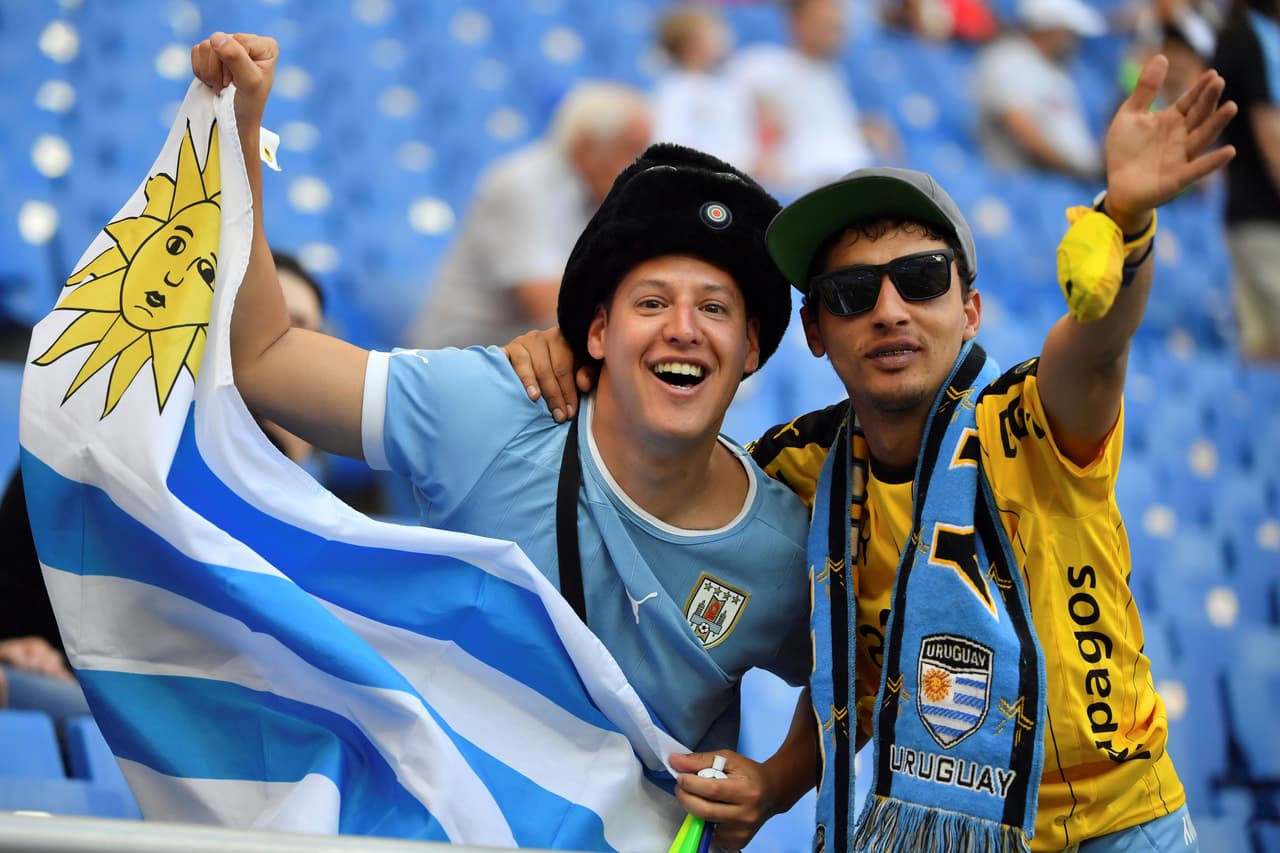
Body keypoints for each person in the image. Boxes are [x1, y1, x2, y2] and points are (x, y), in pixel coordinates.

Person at [507, 54, 1236, 851]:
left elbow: (1097, 345)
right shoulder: (797, 467)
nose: (888, 310)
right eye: (851, 294)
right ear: (816, 333)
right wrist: (581, 352)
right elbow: (853, 667)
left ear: (971, 308)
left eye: (920, 279)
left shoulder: (1033, 419)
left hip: (1120, 826)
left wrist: (1124, 222)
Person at [191, 32, 820, 849]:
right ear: (596, 331)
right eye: (651, 302)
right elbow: (269, 361)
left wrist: (778, 780)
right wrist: (238, 135)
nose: (683, 330)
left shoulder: (782, 547)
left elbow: (863, 670)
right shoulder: (496, 408)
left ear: (753, 353)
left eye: (715, 308)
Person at [403, 80, 651, 351]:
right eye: (630, 150)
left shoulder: (599, 193)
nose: (640, 167)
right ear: (586, 150)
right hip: (461, 348)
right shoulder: (523, 185)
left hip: (512, 341)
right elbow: (549, 306)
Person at [725, 0, 896, 198]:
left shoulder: (833, 76)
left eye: (836, 18)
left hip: (851, 183)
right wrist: (758, 139)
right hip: (800, 190)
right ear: (797, 20)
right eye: (823, 17)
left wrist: (866, 133)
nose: (834, 20)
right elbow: (722, 113)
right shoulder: (761, 64)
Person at [1212, 0, 1280, 362]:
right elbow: (1270, 136)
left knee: (1264, 355)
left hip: (1252, 218)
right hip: (1262, 221)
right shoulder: (1249, 40)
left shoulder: (1247, 36)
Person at [974, 0, 1107, 180]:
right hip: (1026, 180)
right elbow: (1019, 127)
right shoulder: (1007, 60)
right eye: (1068, 31)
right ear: (1050, 28)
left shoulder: (1056, 69)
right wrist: (1078, 170)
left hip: (1066, 180)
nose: (1073, 40)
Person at [650, 4, 763, 172]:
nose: (723, 38)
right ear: (690, 43)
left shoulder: (729, 89)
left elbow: (746, 141)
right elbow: (673, 143)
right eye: (714, 33)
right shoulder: (674, 89)